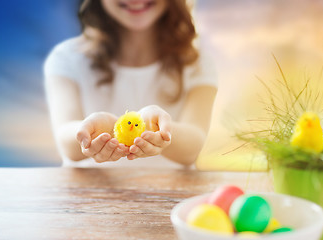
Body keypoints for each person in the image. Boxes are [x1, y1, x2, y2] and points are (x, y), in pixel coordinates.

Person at [44, 0, 217, 168]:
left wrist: (160, 131)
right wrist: (95, 131)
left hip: (171, 193)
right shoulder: (66, 59)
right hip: (87, 191)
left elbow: (193, 146)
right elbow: (65, 141)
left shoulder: (198, 63)